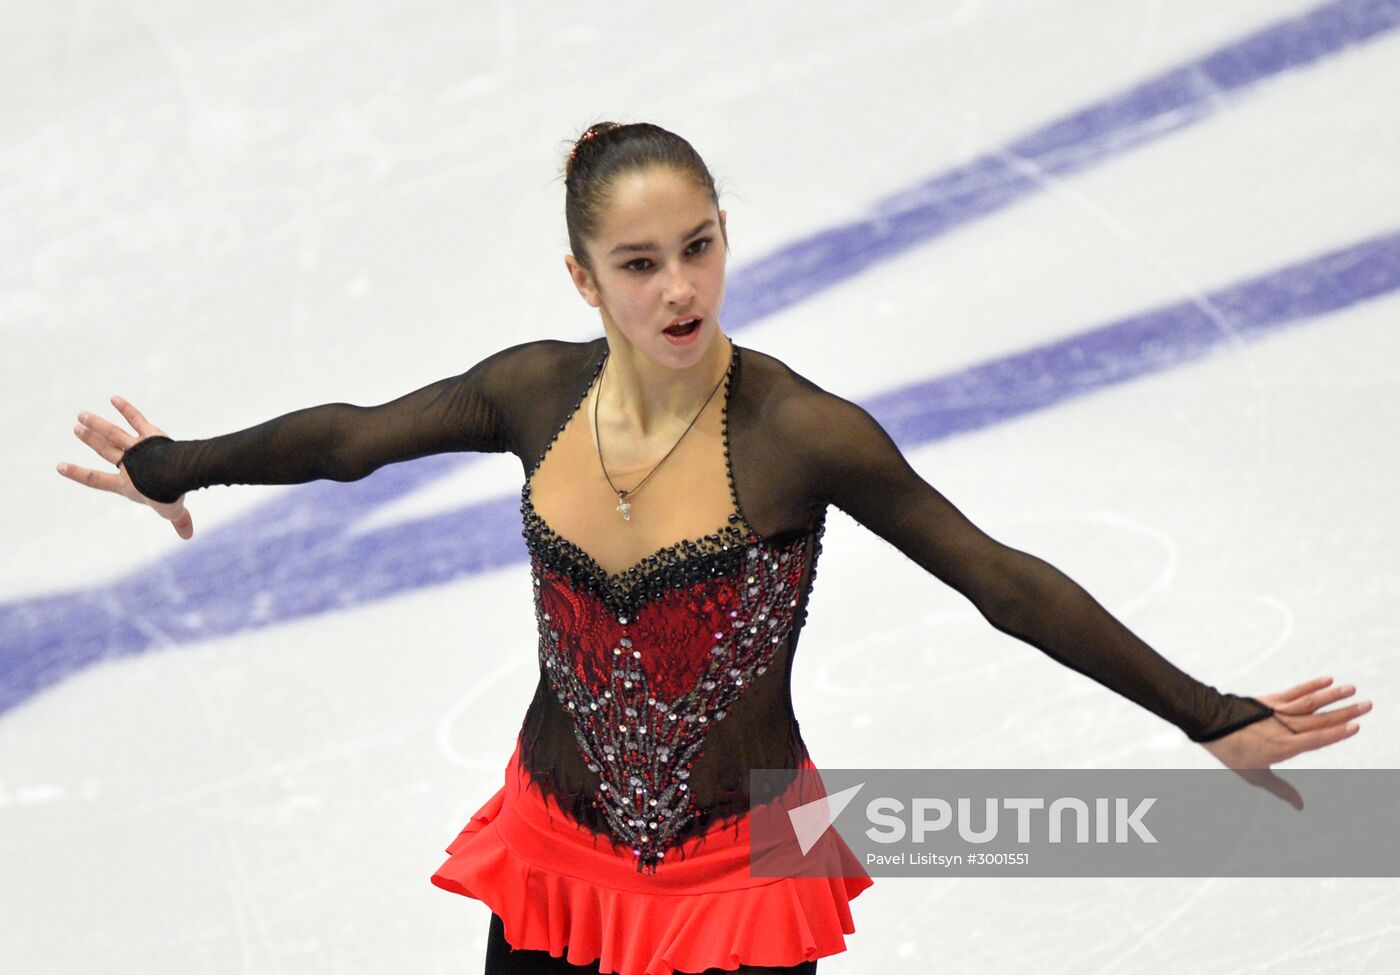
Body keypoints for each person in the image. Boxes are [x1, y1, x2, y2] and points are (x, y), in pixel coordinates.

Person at [57, 121, 1369, 975]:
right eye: (638, 264)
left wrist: (1208, 714)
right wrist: (171, 466)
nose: (679, 286)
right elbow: (350, 440)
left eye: (698, 247)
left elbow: (1000, 581)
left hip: (748, 867)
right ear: (584, 280)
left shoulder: (801, 434)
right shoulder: (532, 393)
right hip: (556, 855)